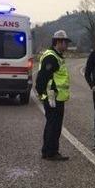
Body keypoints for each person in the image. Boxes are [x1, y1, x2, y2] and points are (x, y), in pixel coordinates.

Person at [35, 30, 72, 161]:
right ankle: (51, 152)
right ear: (58, 42)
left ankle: (48, 151)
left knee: (53, 124)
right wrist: (41, 93)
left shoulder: (57, 56)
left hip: (56, 96)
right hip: (52, 96)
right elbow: (42, 77)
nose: (67, 46)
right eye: (65, 43)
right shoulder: (51, 57)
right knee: (54, 125)